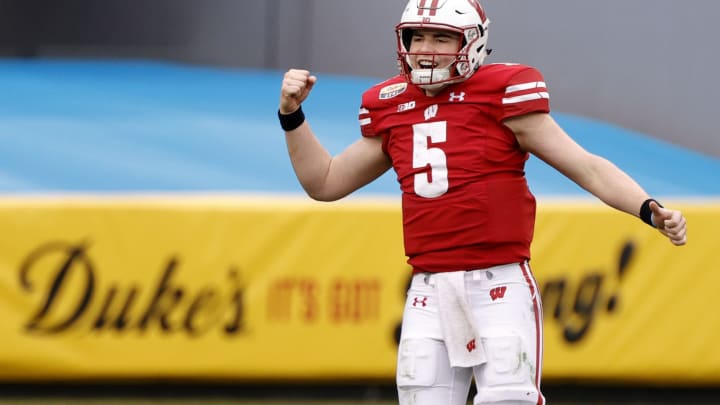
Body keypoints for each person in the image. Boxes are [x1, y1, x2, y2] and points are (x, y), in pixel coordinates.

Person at [277, 0, 687, 404]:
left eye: (442, 37)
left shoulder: (503, 92)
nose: (425, 48)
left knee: (509, 399)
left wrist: (647, 208)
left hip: (499, 283)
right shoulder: (390, 106)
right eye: (416, 36)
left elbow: (587, 167)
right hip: (428, 288)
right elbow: (325, 181)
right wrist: (292, 116)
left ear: (471, 44)